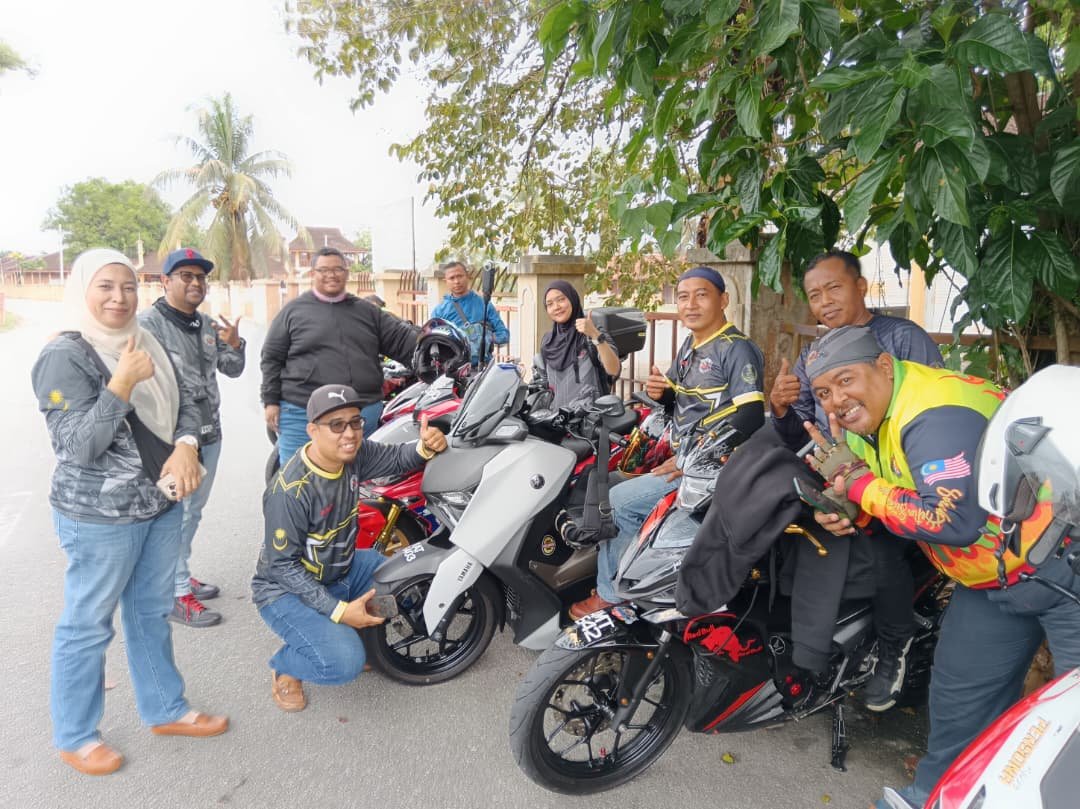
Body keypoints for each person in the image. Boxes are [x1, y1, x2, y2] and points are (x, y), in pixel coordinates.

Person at [801, 326, 1080, 808]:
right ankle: (930, 798)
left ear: (883, 367)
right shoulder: (868, 423)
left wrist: (861, 486)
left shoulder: (935, 413)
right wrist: (849, 507)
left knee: (1069, 730)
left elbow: (952, 520)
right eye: (824, 392)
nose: (836, 401)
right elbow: (892, 490)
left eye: (846, 381)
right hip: (991, 580)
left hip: (1064, 568)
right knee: (958, 707)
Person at [32, 249, 228, 777]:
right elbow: (77, 446)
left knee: (149, 612)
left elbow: (188, 400)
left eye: (127, 286)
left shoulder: (145, 338)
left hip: (159, 501)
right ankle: (76, 735)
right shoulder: (64, 355)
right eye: (105, 286)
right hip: (98, 516)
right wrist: (120, 384)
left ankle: (165, 709)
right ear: (82, 291)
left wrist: (186, 443)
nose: (119, 298)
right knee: (88, 625)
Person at [770, 250, 944, 712]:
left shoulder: (901, 339)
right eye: (814, 295)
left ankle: (894, 644)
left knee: (877, 543)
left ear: (861, 287)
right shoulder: (815, 354)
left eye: (834, 288)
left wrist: (868, 484)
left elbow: (932, 412)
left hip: (898, 477)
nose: (824, 301)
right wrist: (782, 407)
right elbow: (802, 429)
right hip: (837, 472)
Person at [570, 266, 766, 619]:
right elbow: (683, 402)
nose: (691, 304)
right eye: (683, 297)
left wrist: (690, 460)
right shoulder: (691, 345)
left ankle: (614, 599)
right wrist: (664, 394)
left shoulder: (736, 349)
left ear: (723, 300)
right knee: (605, 482)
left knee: (618, 502)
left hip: (711, 471)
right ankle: (632, 579)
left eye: (701, 295)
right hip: (683, 459)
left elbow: (750, 416)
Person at [252, 384, 448, 712]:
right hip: (284, 591)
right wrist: (339, 611)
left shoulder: (354, 454)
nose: (350, 433)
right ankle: (286, 664)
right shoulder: (289, 492)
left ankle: (339, 633)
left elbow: (397, 457)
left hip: (341, 569)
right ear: (312, 430)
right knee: (344, 664)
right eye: (336, 425)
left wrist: (426, 446)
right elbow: (281, 566)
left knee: (398, 576)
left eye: (355, 422)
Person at [139, 247, 246, 628]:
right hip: (171, 441)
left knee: (192, 512)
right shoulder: (148, 326)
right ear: (165, 281)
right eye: (186, 275)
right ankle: (174, 590)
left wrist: (235, 343)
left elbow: (232, 369)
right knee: (176, 514)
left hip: (209, 432)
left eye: (200, 277)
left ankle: (178, 573)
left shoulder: (205, 324)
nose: (195, 282)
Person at [261, 246, 418, 464]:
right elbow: (271, 357)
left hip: (360, 414)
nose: (331, 275)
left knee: (360, 479)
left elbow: (403, 342)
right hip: (301, 414)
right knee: (296, 476)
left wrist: (435, 346)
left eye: (337, 269)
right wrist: (270, 401)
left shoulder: (367, 312)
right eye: (324, 270)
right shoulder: (292, 312)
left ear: (346, 273)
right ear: (313, 274)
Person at [532, 281, 622, 410]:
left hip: (589, 416)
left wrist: (595, 335)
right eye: (549, 304)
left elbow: (613, 369)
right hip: (558, 417)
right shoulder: (548, 341)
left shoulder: (593, 332)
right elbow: (547, 383)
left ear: (573, 299)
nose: (556, 307)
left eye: (561, 299)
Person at [430, 261, 509, 367]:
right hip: (453, 369)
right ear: (446, 281)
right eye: (452, 278)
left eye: (460, 276)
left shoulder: (485, 304)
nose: (456, 281)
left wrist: (485, 336)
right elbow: (433, 342)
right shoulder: (439, 311)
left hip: (482, 368)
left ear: (468, 276)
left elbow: (504, 335)